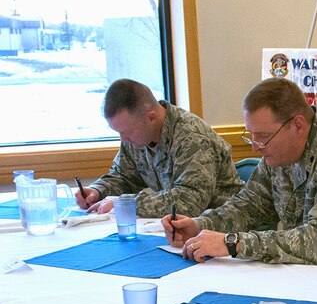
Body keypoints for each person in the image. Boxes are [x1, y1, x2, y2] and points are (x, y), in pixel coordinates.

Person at [162, 77, 317, 274]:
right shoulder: (280, 152)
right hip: (310, 272)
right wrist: (199, 226)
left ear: (298, 125)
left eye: (263, 136)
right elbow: (248, 206)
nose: (255, 147)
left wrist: (233, 243)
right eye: (251, 135)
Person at [76, 78, 242, 217]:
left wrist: (129, 204)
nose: (123, 139)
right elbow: (124, 177)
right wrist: (98, 191)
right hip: (178, 229)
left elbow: (189, 201)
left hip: (221, 227)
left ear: (151, 118)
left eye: (127, 132)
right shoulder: (136, 134)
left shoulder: (192, 137)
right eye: (119, 133)